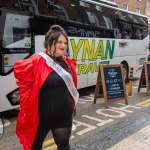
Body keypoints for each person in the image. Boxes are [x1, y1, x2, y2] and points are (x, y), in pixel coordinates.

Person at [14, 25, 79, 150]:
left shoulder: (68, 62)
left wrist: (73, 106)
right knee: (34, 147)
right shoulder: (36, 61)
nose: (63, 45)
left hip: (64, 116)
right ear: (49, 42)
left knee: (64, 146)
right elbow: (24, 88)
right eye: (59, 42)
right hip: (40, 118)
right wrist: (25, 110)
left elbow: (71, 86)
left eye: (65, 42)